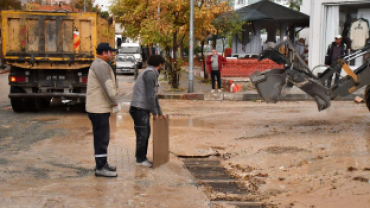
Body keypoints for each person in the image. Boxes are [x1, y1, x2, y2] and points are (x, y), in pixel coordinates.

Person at [86, 43, 120, 177]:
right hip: (98, 109)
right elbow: (108, 86)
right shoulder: (101, 65)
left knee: (102, 137)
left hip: (98, 108)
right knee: (101, 138)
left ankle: (102, 163)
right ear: (105, 53)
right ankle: (100, 167)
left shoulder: (99, 64)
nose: (112, 55)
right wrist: (115, 103)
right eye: (111, 52)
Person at [129, 55, 167, 168]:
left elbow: (154, 96)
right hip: (139, 108)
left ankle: (142, 157)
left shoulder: (151, 72)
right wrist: (155, 112)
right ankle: (140, 159)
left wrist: (159, 112)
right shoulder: (150, 74)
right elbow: (150, 96)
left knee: (146, 133)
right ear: (159, 64)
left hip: (141, 108)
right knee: (143, 134)